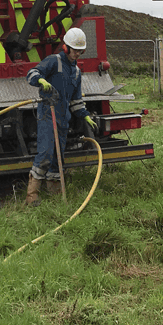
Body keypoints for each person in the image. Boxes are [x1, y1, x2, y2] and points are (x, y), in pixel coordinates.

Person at [25, 27, 97, 205]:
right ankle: (32, 196)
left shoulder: (76, 72)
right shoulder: (53, 61)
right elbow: (32, 73)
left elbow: (76, 100)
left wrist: (85, 115)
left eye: (81, 51)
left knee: (59, 156)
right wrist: (40, 80)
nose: (78, 54)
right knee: (46, 154)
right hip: (48, 114)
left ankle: (55, 195)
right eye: (75, 50)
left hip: (63, 117)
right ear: (66, 47)